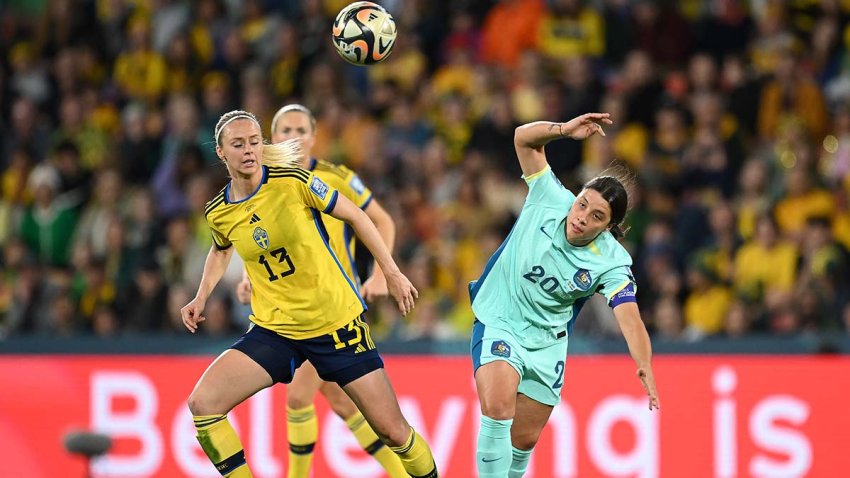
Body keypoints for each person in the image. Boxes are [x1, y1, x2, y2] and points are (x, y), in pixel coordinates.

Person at [182, 110, 438, 478]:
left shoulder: (295, 181)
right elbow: (221, 248)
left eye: (254, 142)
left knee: (394, 431)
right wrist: (201, 296)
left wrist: (391, 272)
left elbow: (358, 216)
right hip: (277, 330)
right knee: (203, 404)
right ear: (221, 152)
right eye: (238, 144)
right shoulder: (219, 211)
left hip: (335, 324)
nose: (249, 150)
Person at [469, 113, 660, 478]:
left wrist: (644, 362)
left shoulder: (611, 262)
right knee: (497, 407)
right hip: (501, 318)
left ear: (608, 227)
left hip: (546, 343)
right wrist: (564, 131)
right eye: (583, 203)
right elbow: (522, 138)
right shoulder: (549, 195)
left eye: (597, 215)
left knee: (523, 440)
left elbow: (630, 317)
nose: (583, 216)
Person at [233, 104, 407, 478]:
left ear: (314, 137)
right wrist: (253, 279)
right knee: (343, 403)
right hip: (289, 312)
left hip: (333, 307)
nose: (292, 137)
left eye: (300, 130)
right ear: (270, 140)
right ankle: (404, 472)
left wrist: (380, 274)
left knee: (298, 397)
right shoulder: (264, 185)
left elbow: (382, 220)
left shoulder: (335, 176)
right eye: (284, 131)